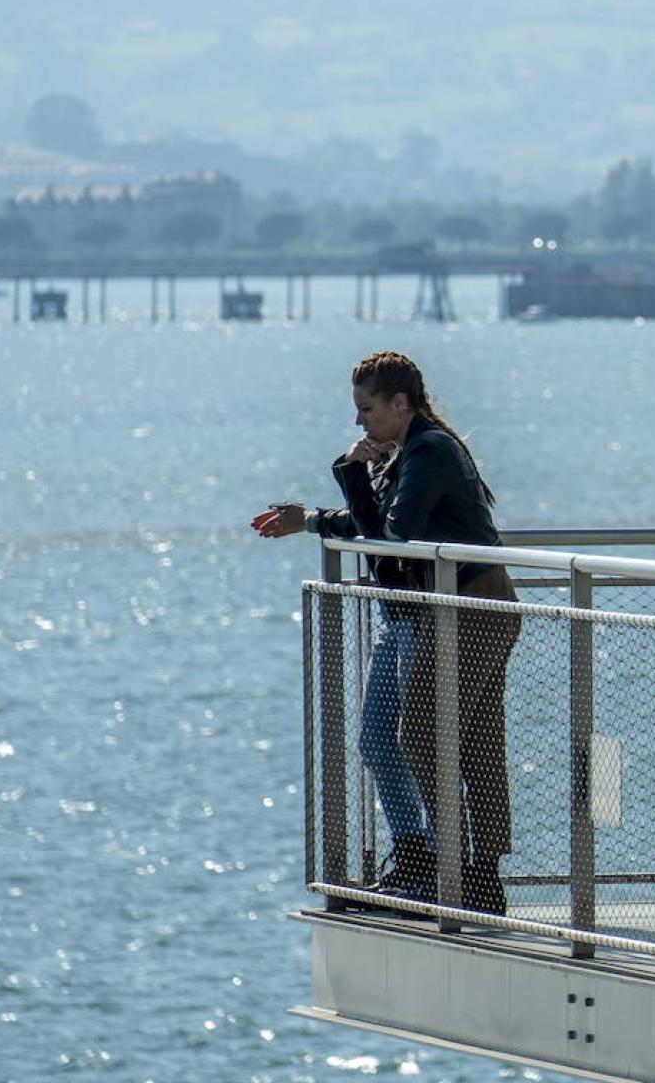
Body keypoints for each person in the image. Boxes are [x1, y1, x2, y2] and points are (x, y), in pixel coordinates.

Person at [252, 351, 521, 916]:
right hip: (422, 609)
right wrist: (313, 520)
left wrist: (351, 474)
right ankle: (424, 861)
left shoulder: (430, 451)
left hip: (469, 607)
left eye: (368, 409)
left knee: (441, 741)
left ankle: (463, 874)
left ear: (402, 404)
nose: (359, 423)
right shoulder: (406, 453)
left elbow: (392, 537)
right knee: (384, 739)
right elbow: (377, 525)